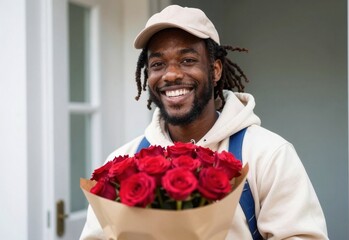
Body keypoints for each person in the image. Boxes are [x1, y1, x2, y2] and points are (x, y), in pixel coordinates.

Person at [80, 4, 328, 240]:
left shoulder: (268, 154)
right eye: (158, 64)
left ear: (216, 69)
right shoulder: (123, 164)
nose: (172, 74)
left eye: (187, 60)